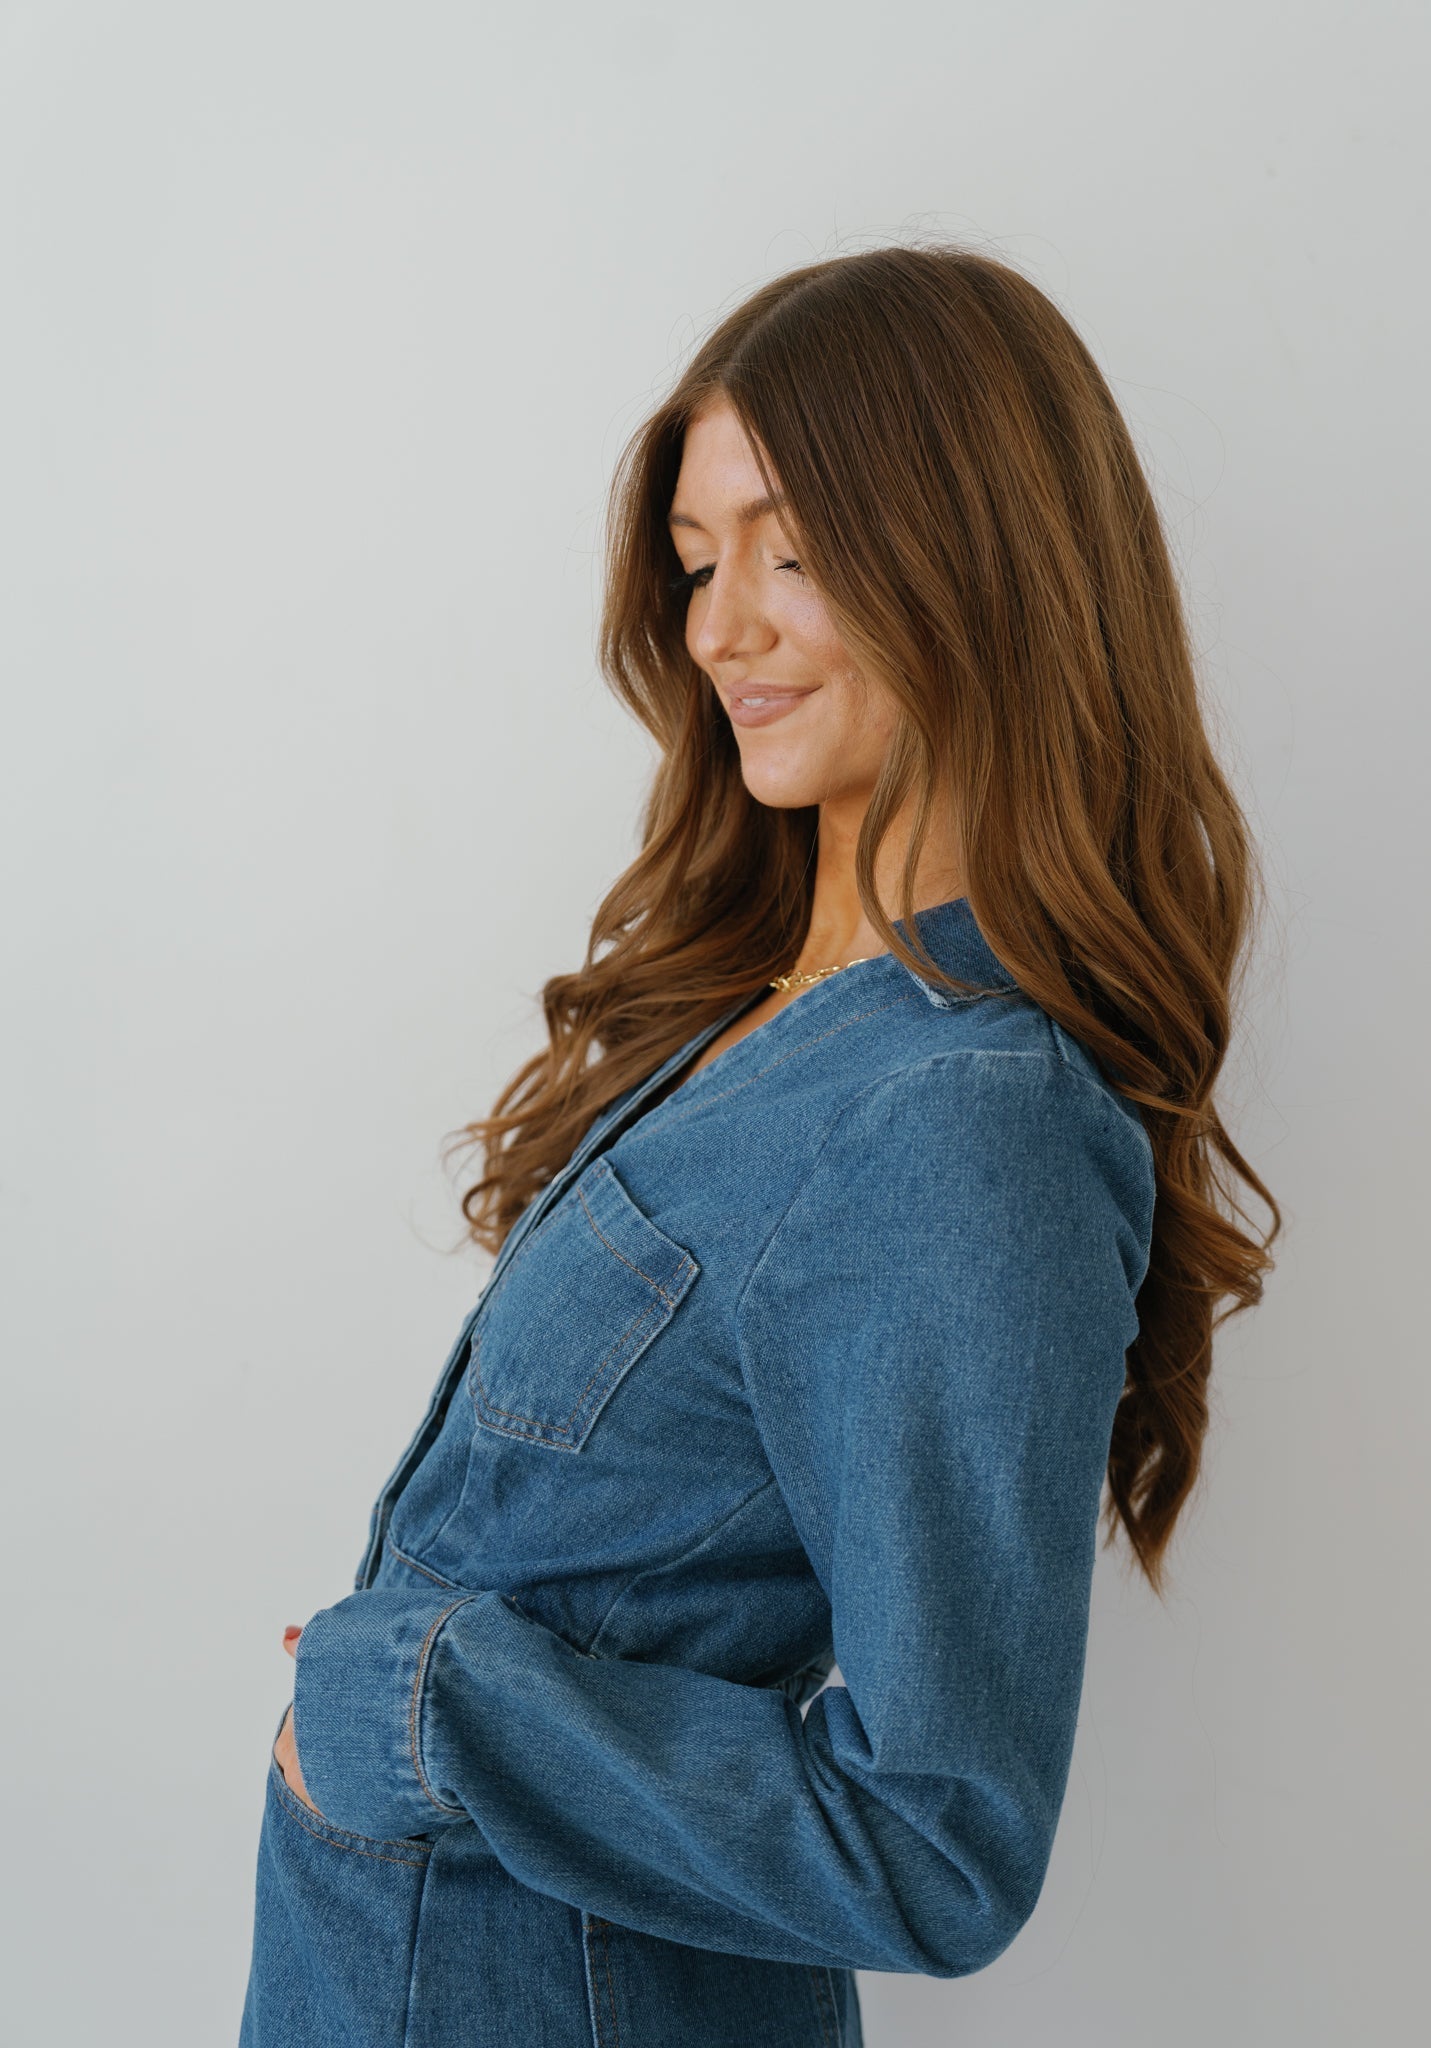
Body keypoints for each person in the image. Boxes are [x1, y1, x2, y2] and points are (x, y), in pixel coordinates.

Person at [239, 243, 1279, 2048]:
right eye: (698, 559)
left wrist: (419, 1708)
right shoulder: (764, 1010)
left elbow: (938, 1840)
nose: (720, 628)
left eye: (791, 553)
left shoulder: (959, 1117)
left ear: (981, 563)